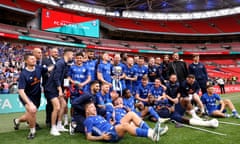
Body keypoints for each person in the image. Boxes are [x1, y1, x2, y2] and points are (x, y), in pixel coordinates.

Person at [84, 102, 164, 142]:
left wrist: (112, 122)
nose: (94, 108)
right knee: (126, 125)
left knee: (131, 114)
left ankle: (152, 131)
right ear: (87, 111)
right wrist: (101, 137)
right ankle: (151, 134)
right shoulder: (88, 120)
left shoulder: (98, 116)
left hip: (113, 127)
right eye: (91, 107)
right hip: (110, 134)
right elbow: (88, 137)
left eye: (94, 106)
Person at [13, 53, 49, 139]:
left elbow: (48, 69)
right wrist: (29, 103)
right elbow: (21, 91)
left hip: (37, 96)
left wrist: (57, 65)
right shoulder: (23, 74)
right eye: (31, 59)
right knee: (32, 110)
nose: (34, 60)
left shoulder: (38, 68)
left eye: (34, 59)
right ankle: (32, 131)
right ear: (26, 61)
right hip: (26, 96)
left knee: (31, 113)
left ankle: (17, 120)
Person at [44, 48, 73, 136]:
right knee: (56, 107)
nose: (73, 56)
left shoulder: (65, 64)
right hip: (51, 89)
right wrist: (60, 90)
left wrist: (65, 88)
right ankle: (53, 128)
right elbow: (56, 78)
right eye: (72, 55)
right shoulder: (60, 63)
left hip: (57, 88)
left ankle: (59, 125)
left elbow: (65, 76)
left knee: (63, 105)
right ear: (67, 54)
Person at [42, 47, 59, 127]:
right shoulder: (45, 60)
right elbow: (44, 72)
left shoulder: (59, 61)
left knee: (56, 104)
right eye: (55, 52)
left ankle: (56, 119)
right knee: (49, 103)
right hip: (48, 85)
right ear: (50, 52)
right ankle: (49, 120)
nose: (57, 53)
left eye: (57, 52)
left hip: (56, 85)